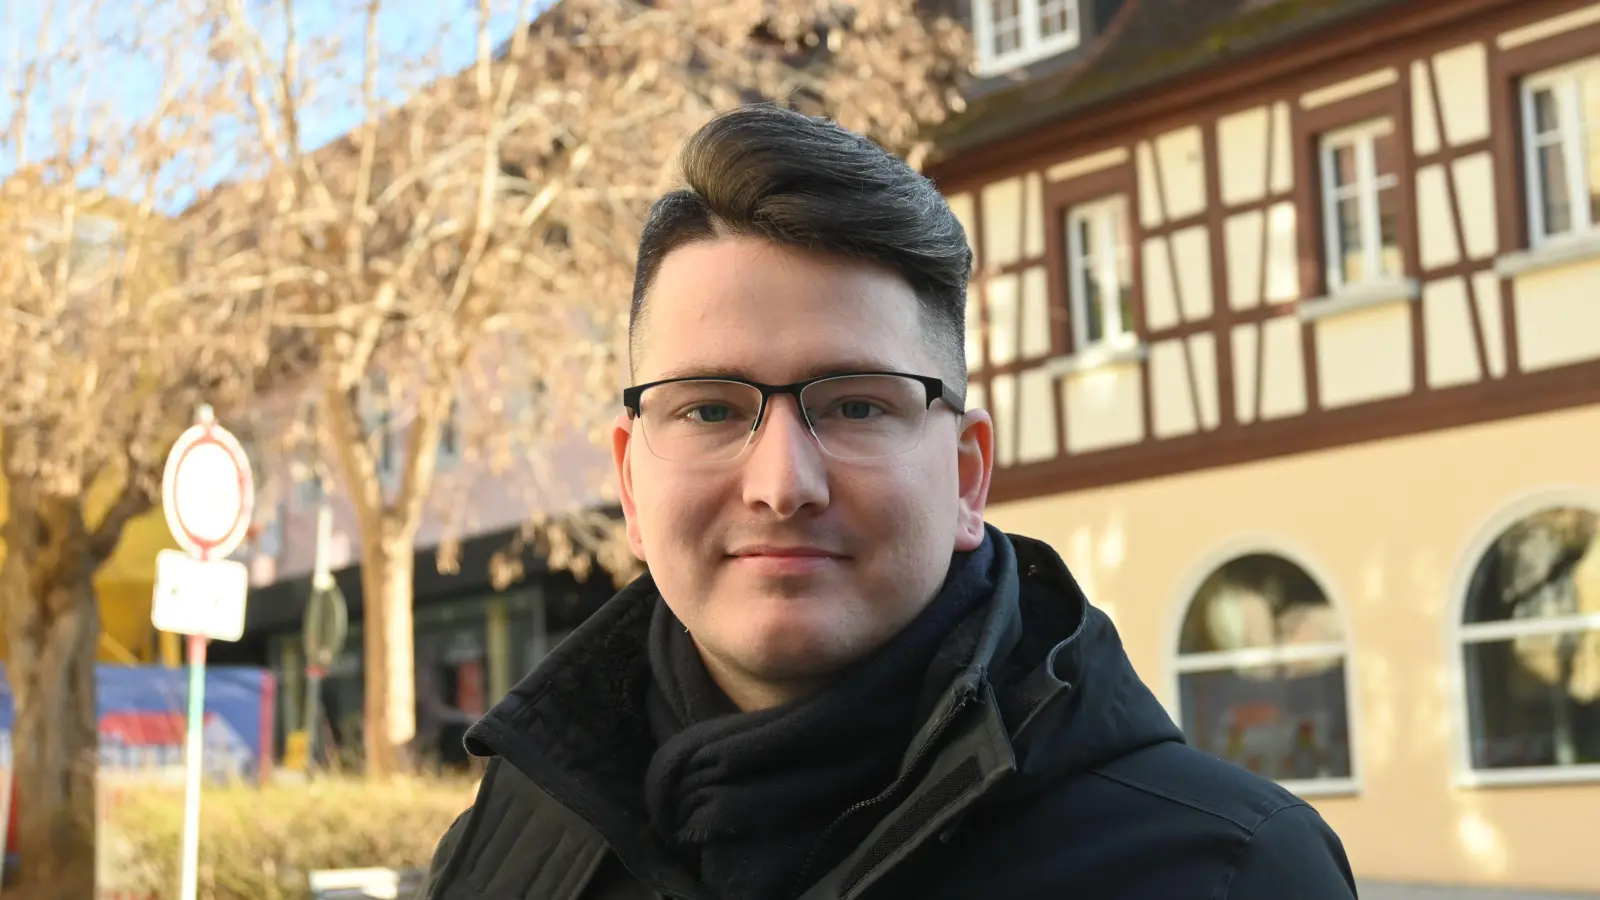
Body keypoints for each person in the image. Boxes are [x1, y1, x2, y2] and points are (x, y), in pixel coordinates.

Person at [418, 104, 1358, 900]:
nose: (782, 484)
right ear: (630, 480)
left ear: (965, 474)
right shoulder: (510, 842)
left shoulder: (1228, 871)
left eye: (856, 404)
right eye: (708, 408)